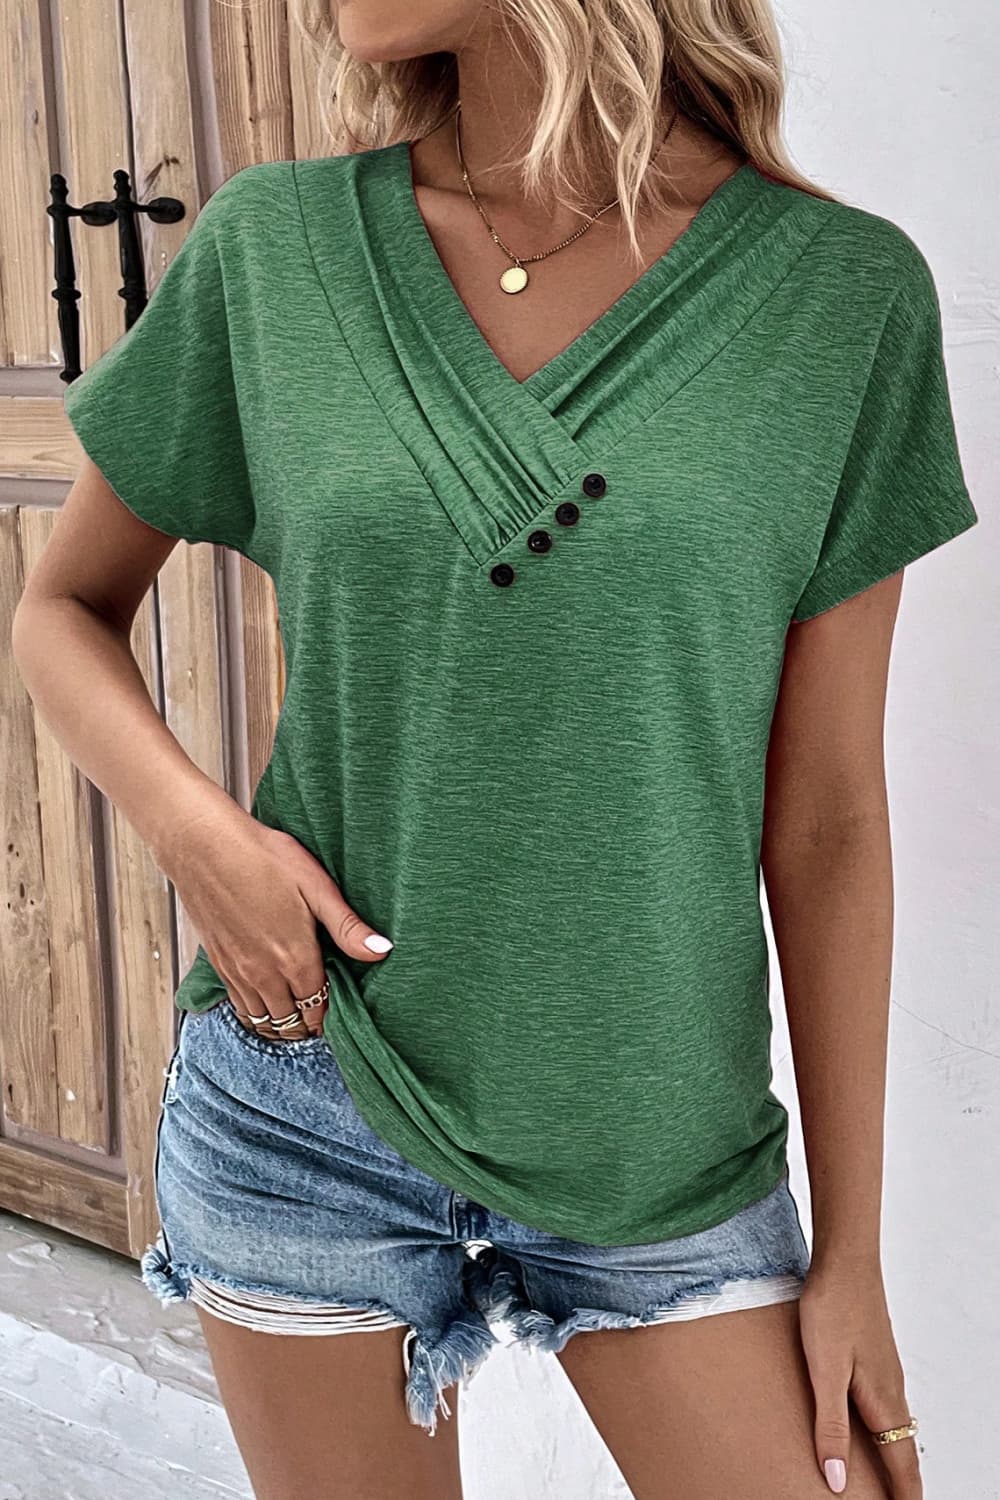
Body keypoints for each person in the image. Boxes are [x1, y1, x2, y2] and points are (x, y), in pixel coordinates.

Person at [12, 1, 978, 1496]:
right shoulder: (277, 251)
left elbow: (831, 815)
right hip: (307, 1099)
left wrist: (851, 1252)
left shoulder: (838, 295)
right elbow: (62, 609)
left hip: (664, 1145)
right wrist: (202, 840)